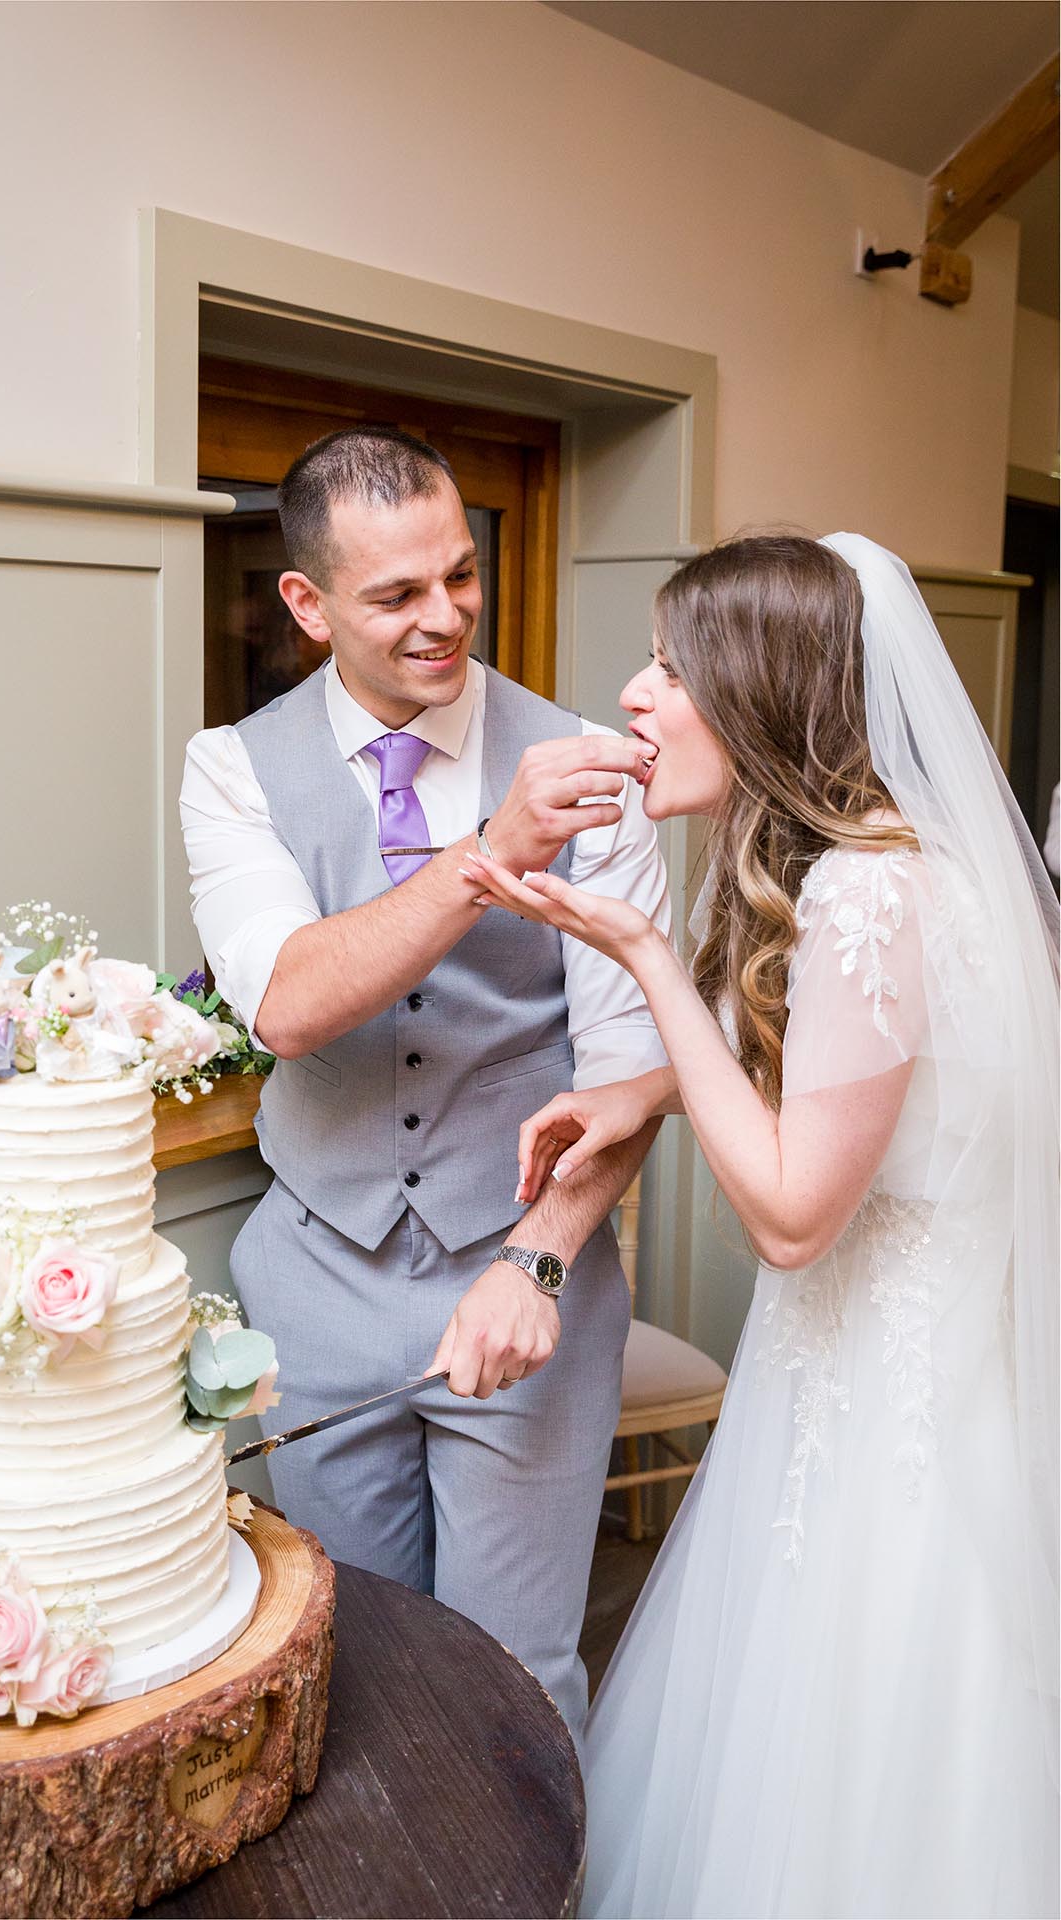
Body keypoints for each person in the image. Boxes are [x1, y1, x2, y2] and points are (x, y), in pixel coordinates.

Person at [465, 532, 1059, 1918]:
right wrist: (637, 1091)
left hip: (885, 1441)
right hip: (869, 1393)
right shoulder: (890, 871)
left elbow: (794, 1216)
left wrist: (647, 958)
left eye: (673, 668)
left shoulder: (871, 891)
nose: (634, 693)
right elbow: (880, 1083)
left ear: (761, 690)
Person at [180, 426, 673, 1736]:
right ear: (308, 601)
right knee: (360, 1665)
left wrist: (546, 1258)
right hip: (317, 1287)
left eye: (459, 576)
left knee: (519, 1678)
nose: (443, 617)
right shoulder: (232, 771)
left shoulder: (586, 765)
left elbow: (633, 1068)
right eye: (396, 593)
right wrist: (481, 854)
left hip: (523, 1280)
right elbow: (287, 1004)